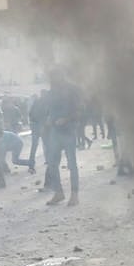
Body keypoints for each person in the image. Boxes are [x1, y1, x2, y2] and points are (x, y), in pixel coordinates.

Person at [42, 72, 83, 207]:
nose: (52, 81)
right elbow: (50, 109)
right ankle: (58, 193)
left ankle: (75, 195)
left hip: (69, 131)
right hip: (55, 131)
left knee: (71, 164)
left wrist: (66, 119)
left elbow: (79, 111)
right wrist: (49, 119)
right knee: (52, 163)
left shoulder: (72, 90)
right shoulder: (52, 91)